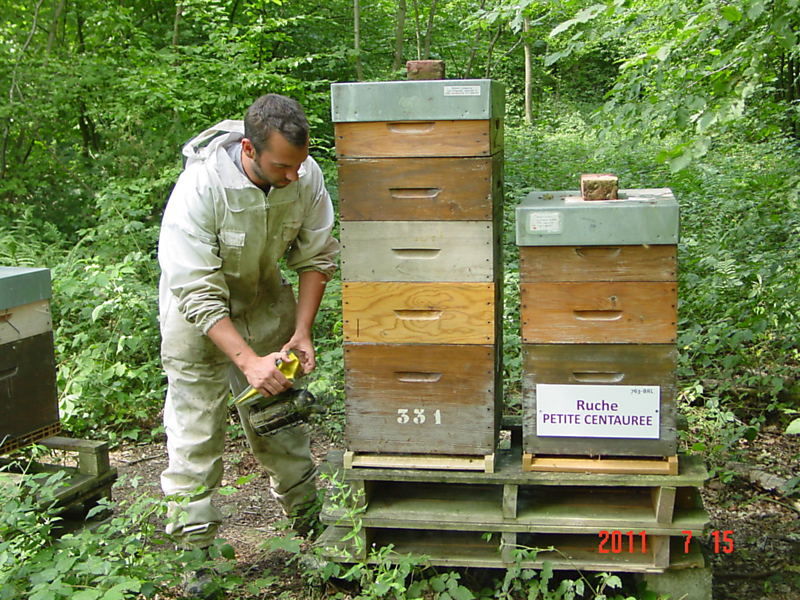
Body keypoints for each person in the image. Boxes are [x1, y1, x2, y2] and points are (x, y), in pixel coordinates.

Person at [157, 93, 339, 556]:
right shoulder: (200, 188)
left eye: (300, 164)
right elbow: (195, 288)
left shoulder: (305, 173)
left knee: (283, 425)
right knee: (196, 435)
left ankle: (310, 530)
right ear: (249, 150)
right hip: (196, 320)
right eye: (282, 166)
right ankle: (196, 555)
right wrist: (247, 361)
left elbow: (316, 256)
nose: (294, 175)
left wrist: (302, 331)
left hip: (265, 306)